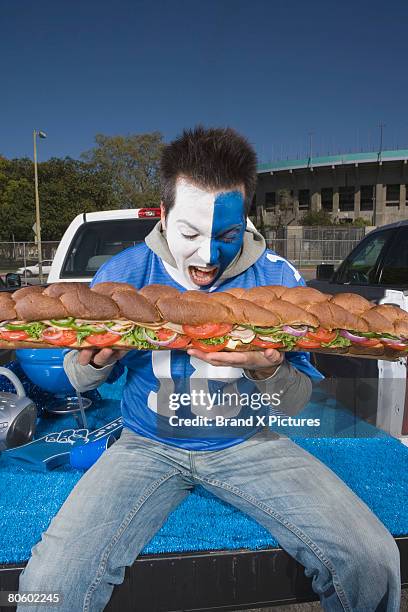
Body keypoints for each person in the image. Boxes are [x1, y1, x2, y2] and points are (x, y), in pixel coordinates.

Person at [18, 126, 400, 611]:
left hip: (249, 445)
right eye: (190, 234)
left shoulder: (278, 279)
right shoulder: (124, 274)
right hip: (144, 446)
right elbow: (76, 377)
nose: (206, 257)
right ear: (164, 215)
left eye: (226, 235)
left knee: (373, 559)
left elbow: (299, 400)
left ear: (246, 218)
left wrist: (267, 368)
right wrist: (97, 361)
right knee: (47, 585)